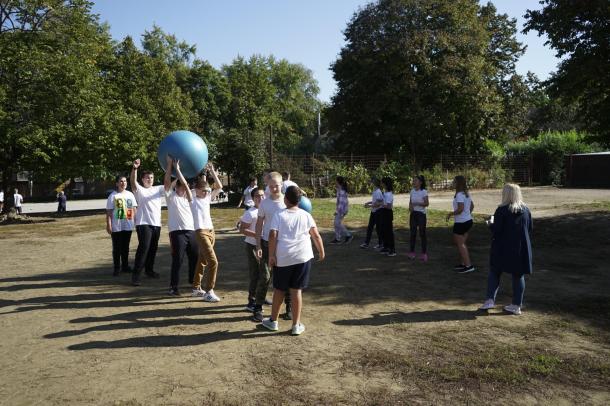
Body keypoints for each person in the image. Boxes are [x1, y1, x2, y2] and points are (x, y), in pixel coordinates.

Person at [262, 186, 325, 335]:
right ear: (300, 200)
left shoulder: (279, 214)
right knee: (297, 290)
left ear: (285, 199)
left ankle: (273, 321)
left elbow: (272, 235)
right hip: (303, 257)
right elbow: (315, 235)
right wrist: (321, 251)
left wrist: (271, 255)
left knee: (279, 289)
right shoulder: (306, 215)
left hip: (284, 258)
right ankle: (296, 325)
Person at [479, 184, 532, 315]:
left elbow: (497, 230)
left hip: (502, 246)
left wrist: (489, 224)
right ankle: (516, 305)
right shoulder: (526, 210)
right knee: (518, 275)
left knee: (495, 271)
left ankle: (490, 300)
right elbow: (530, 229)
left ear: (506, 194)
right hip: (521, 247)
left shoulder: (502, 210)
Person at [254, 171, 290, 322]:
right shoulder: (264, 203)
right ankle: (258, 307)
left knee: (284, 277)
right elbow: (259, 224)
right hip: (267, 243)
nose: (274, 189)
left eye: (277, 186)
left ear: (282, 185)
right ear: (267, 186)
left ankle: (289, 309)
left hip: (283, 245)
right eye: (271, 186)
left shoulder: (287, 202)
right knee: (265, 277)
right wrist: (258, 245)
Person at [164, 156, 198, 296]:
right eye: (180, 186)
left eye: (185, 187)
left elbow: (190, 186)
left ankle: (193, 281)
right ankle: (174, 287)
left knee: (195, 258)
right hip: (177, 232)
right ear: (176, 187)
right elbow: (166, 183)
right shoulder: (171, 197)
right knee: (178, 260)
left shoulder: (190, 198)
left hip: (191, 232)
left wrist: (180, 172)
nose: (183, 188)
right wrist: (170, 167)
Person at [190, 163, 223, 302]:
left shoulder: (207, 198)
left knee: (202, 261)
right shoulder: (191, 199)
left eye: (207, 191)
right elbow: (187, 187)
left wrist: (212, 171)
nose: (206, 193)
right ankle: (209, 291)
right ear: (196, 190)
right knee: (213, 262)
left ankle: (196, 288)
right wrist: (179, 170)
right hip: (201, 232)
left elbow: (220, 186)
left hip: (211, 231)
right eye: (203, 191)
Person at [130, 159, 165, 286]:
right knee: (143, 248)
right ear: (143, 179)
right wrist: (135, 168)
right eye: (147, 178)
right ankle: (136, 275)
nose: (150, 179)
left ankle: (149, 270)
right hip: (143, 223)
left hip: (156, 224)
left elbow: (169, 184)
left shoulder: (158, 189)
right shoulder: (139, 189)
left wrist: (175, 171)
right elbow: (133, 182)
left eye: (151, 177)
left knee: (153, 248)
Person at [239, 187, 265, 311]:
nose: (260, 198)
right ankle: (251, 301)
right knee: (255, 273)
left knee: (265, 274)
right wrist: (256, 235)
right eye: (257, 196)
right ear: (253, 198)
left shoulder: (267, 210)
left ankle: (261, 297)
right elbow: (242, 230)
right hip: (252, 246)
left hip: (265, 245)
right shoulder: (250, 212)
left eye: (262, 195)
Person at [106, 175, 138, 276]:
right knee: (117, 248)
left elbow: (134, 210)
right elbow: (109, 212)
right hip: (117, 226)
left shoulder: (130, 195)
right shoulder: (113, 196)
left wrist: (137, 223)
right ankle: (116, 268)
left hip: (128, 225)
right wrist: (109, 225)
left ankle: (125, 266)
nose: (123, 183)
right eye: (121, 181)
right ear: (117, 183)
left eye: (125, 181)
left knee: (126, 247)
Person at [446, 175, 475, 273]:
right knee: (461, 243)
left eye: (454, 181)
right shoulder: (466, 193)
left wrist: (450, 214)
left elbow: (460, 209)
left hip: (461, 222)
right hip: (468, 221)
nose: (453, 183)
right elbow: (472, 206)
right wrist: (467, 215)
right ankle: (463, 264)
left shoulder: (459, 195)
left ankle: (469, 266)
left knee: (460, 243)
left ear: (458, 183)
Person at [408, 175, 429, 261]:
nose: (413, 182)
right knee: (412, 233)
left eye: (415, 180)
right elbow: (410, 202)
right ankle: (412, 252)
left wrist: (417, 203)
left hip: (421, 215)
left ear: (420, 182)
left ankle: (424, 254)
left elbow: (427, 203)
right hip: (413, 214)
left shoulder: (423, 191)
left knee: (422, 234)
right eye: (413, 180)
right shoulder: (412, 191)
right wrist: (410, 208)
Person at [360, 178, 384, 249]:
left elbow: (380, 203)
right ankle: (366, 243)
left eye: (372, 182)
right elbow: (375, 201)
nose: (371, 183)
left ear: (375, 183)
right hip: (373, 212)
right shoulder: (375, 190)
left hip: (378, 212)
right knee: (370, 228)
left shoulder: (378, 192)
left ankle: (380, 244)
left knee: (378, 229)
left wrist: (369, 206)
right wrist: (369, 202)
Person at [330, 176, 353, 244]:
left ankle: (348, 235)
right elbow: (339, 202)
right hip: (340, 209)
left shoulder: (342, 191)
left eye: (335, 181)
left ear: (338, 182)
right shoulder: (339, 189)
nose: (335, 182)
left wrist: (337, 211)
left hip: (342, 210)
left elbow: (342, 203)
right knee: (336, 223)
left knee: (337, 223)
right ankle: (338, 238)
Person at [378, 177, 396, 256]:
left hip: (387, 213)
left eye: (382, 183)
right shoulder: (385, 193)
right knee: (383, 230)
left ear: (385, 184)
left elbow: (389, 206)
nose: (381, 184)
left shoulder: (389, 194)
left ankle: (392, 249)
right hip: (383, 212)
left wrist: (380, 204)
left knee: (389, 232)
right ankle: (386, 247)